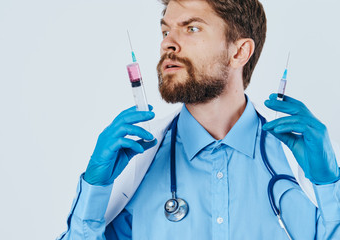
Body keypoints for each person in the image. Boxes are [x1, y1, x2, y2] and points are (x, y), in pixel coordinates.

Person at [58, 0, 340, 239]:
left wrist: (330, 184)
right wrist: (95, 190)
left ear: (239, 52)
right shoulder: (137, 165)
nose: (168, 43)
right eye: (166, 30)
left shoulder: (294, 162)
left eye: (191, 28)